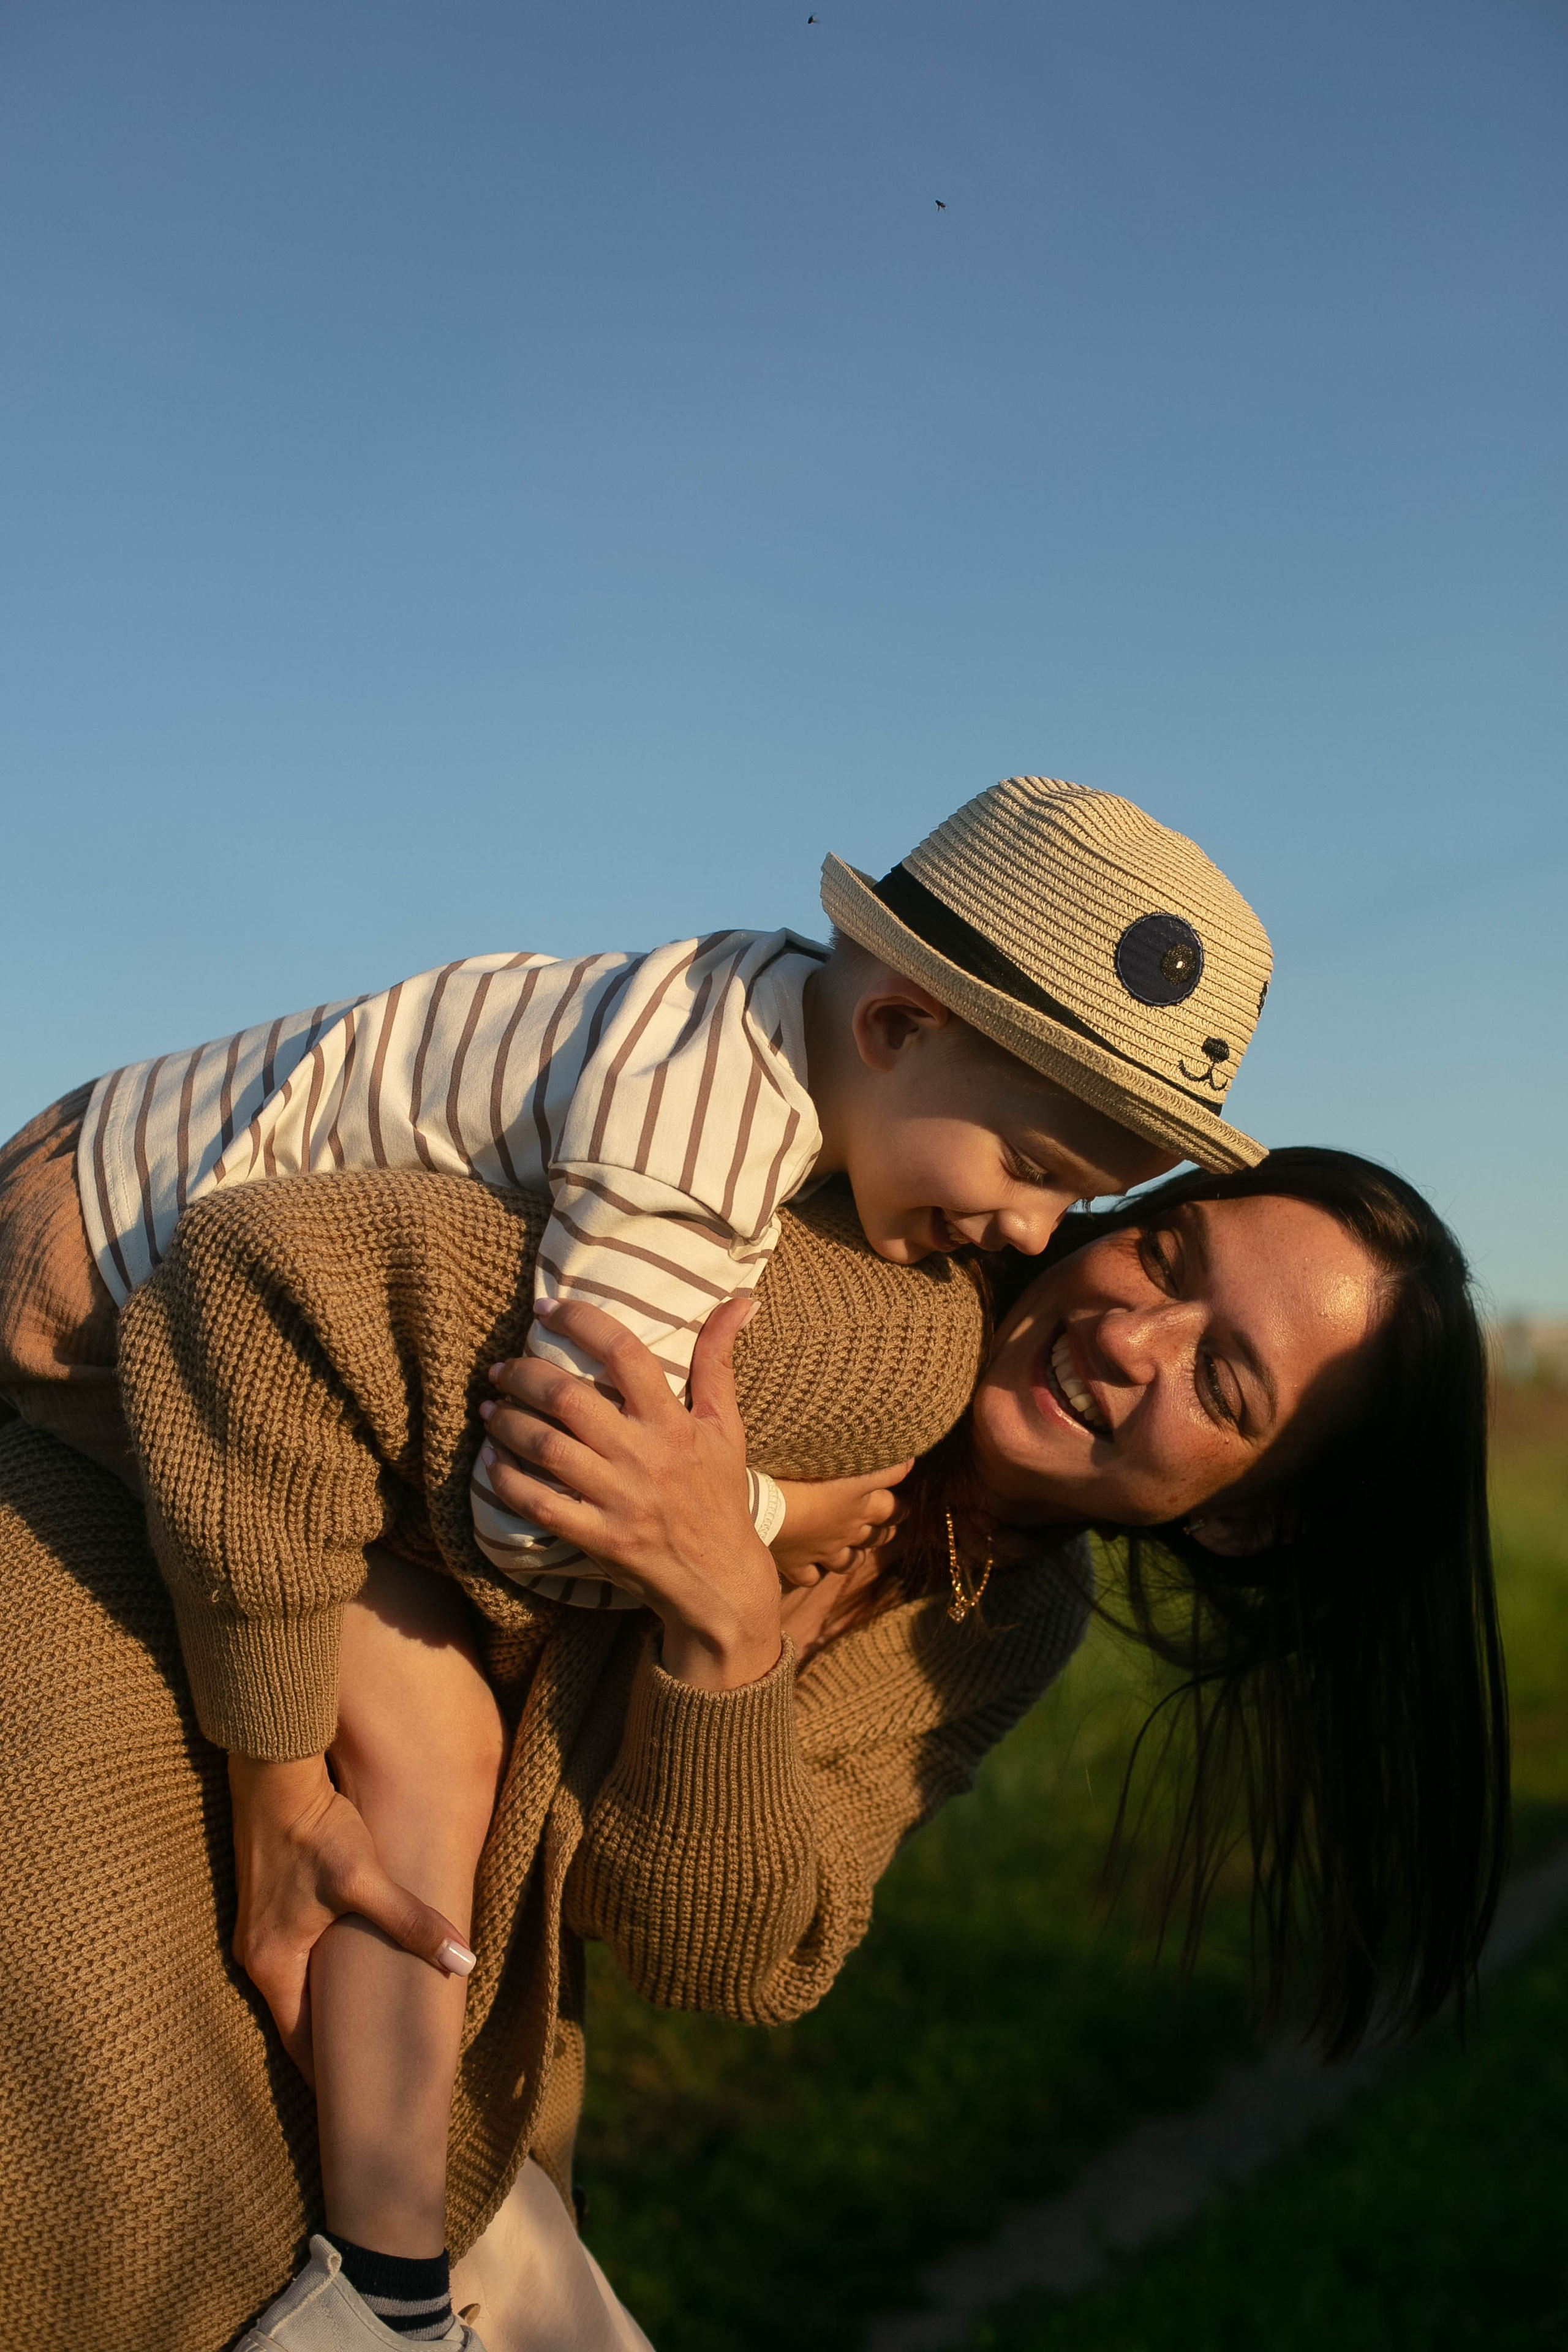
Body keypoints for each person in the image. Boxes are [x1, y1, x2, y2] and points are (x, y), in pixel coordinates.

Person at [0, 777, 1274, 2343]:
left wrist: (731, 1630)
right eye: (1098, 1213)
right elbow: (543, 1490)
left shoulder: (771, 1049)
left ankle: (382, 2284)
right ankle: (380, 2289)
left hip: (120, 1218)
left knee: (435, 1744)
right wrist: (762, 1529)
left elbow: (728, 1941)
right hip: (94, 1272)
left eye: (1225, 1386)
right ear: (892, 1032)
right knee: (430, 1738)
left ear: (1247, 1515)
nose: (1034, 1239)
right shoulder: (700, 1170)